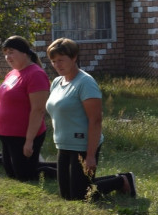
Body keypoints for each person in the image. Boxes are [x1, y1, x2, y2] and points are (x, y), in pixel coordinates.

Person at [45, 38, 134, 200]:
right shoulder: (57, 82)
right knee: (66, 195)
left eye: (61, 60)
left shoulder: (85, 82)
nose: (57, 65)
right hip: (63, 144)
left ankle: (121, 181)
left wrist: (90, 155)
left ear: (74, 58)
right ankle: (112, 180)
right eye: (53, 61)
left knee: (79, 196)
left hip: (82, 144)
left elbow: (96, 120)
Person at [0, 36, 54, 181]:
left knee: (25, 175)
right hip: (7, 134)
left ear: (25, 53)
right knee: (11, 173)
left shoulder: (36, 74)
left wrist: (29, 141)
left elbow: (38, 110)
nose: (8, 57)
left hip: (23, 135)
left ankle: (67, 172)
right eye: (5, 53)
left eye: (12, 52)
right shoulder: (12, 73)